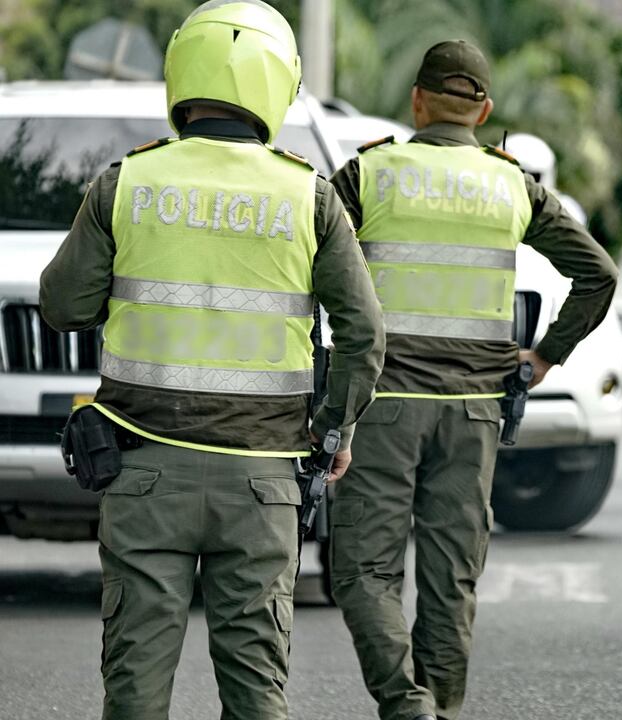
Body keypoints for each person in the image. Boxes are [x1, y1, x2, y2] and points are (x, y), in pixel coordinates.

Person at [38, 2, 386, 717]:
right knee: (256, 693)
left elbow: (62, 307)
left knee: (134, 691)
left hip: (142, 476)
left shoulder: (125, 184)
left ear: (179, 74)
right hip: (262, 486)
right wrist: (334, 432)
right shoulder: (308, 197)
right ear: (277, 85)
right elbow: (364, 336)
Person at [327, 40, 619, 720]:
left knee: (364, 570)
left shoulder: (369, 173)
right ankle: (441, 708)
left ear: (417, 100)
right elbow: (598, 274)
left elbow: (309, 256)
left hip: (384, 405)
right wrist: (544, 357)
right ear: (484, 111)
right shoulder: (512, 183)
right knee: (451, 574)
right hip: (474, 412)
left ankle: (406, 703)